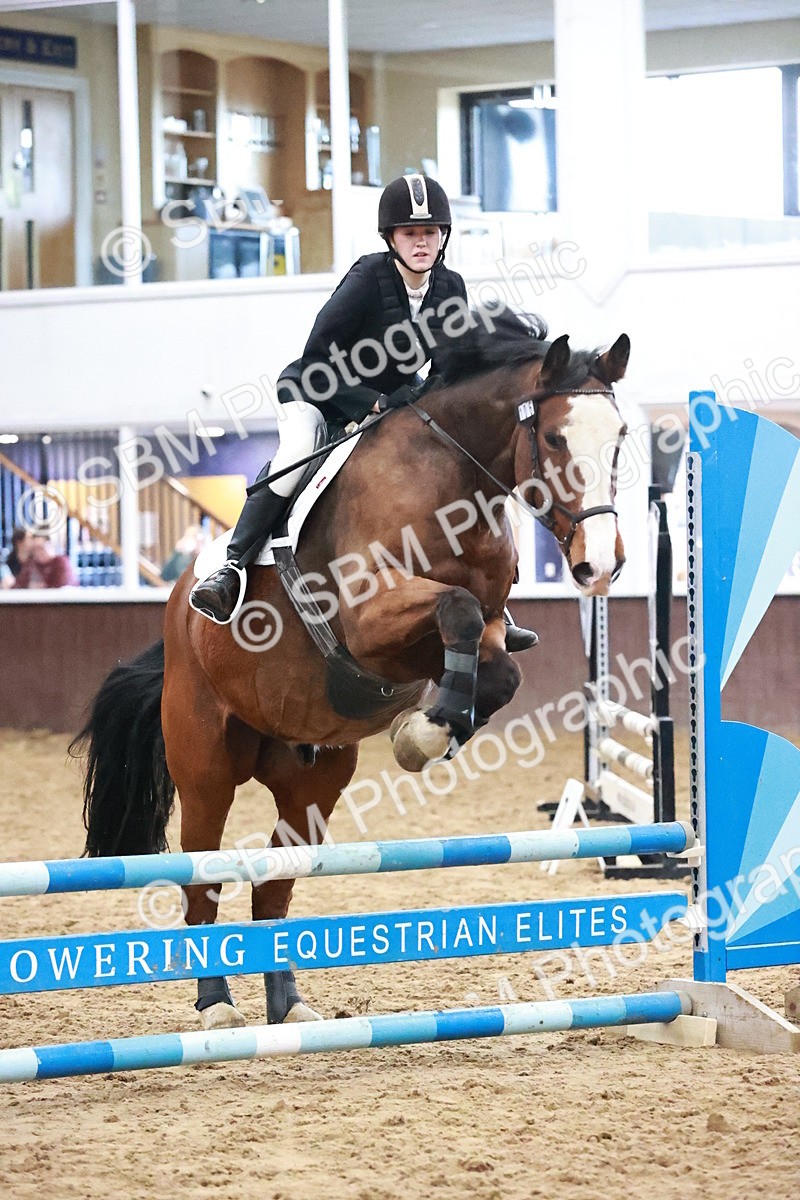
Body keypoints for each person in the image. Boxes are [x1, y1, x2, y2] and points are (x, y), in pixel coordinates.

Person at [190, 174, 537, 652]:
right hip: (318, 391)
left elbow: (449, 368)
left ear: (444, 237)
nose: (421, 242)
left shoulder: (450, 287)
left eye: (430, 232)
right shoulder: (365, 279)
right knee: (297, 452)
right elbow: (316, 355)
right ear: (390, 238)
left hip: (394, 403)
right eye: (410, 234)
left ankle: (491, 602)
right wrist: (371, 402)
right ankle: (231, 567)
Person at [12, 533, 77, 589]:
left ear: (50, 545)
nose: (38, 552)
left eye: (41, 548)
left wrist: (42, 587)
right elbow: (17, 586)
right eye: (34, 549)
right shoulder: (31, 564)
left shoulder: (60, 562)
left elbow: (63, 587)